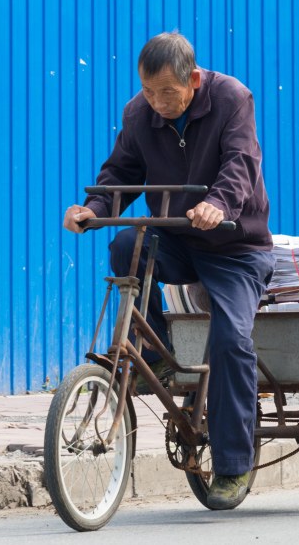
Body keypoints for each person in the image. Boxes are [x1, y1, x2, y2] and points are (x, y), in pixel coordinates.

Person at [62, 31, 275, 509]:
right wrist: (92, 207)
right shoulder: (140, 113)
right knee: (124, 246)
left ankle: (233, 465)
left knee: (231, 339)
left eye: (168, 93)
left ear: (194, 80)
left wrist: (218, 204)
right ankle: (154, 354)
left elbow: (241, 164)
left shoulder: (232, 99)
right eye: (148, 91)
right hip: (177, 237)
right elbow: (120, 172)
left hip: (236, 247)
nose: (157, 103)